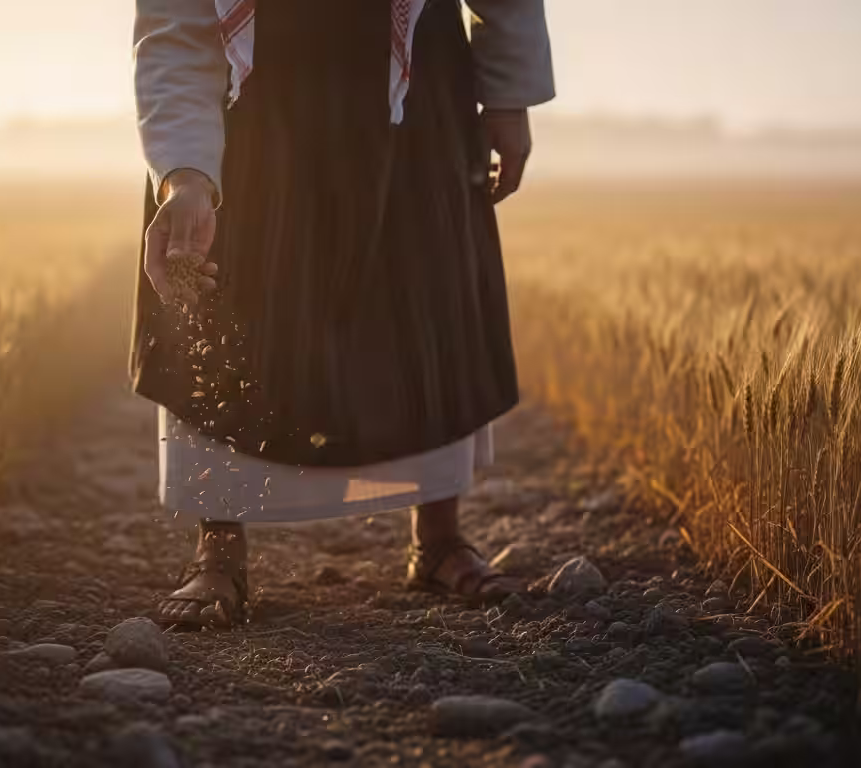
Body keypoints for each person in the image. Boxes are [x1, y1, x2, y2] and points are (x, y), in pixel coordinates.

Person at [131, 0, 554, 629]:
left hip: (419, 94)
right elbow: (177, 21)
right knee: (224, 296)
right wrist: (184, 175)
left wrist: (507, 97)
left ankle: (438, 537)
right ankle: (217, 550)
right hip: (253, 107)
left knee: (425, 295)